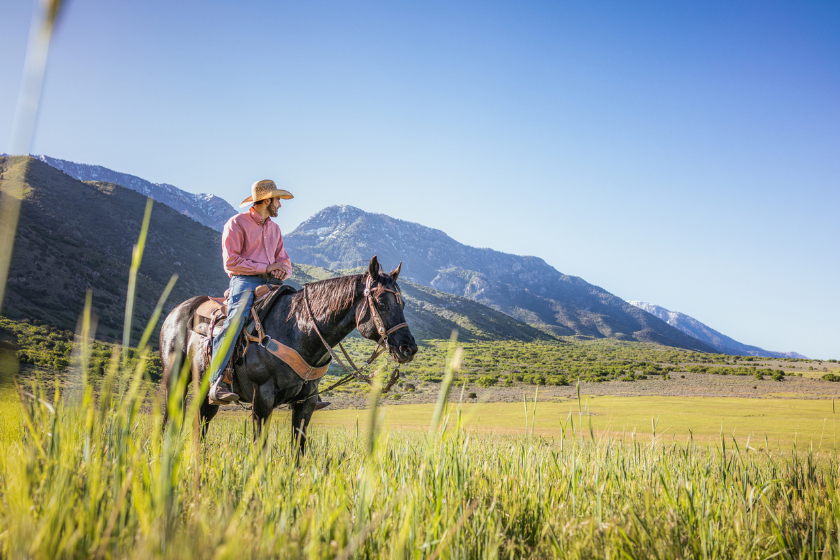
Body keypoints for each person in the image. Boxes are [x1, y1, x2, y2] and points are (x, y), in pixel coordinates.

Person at [208, 179, 293, 404]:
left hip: (272, 282)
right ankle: (217, 381)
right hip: (244, 282)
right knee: (235, 322)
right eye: (277, 201)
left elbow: (284, 259)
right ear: (266, 201)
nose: (280, 206)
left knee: (302, 313)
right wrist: (265, 267)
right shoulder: (236, 223)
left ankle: (305, 386)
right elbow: (231, 262)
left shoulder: (275, 229)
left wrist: (283, 269)